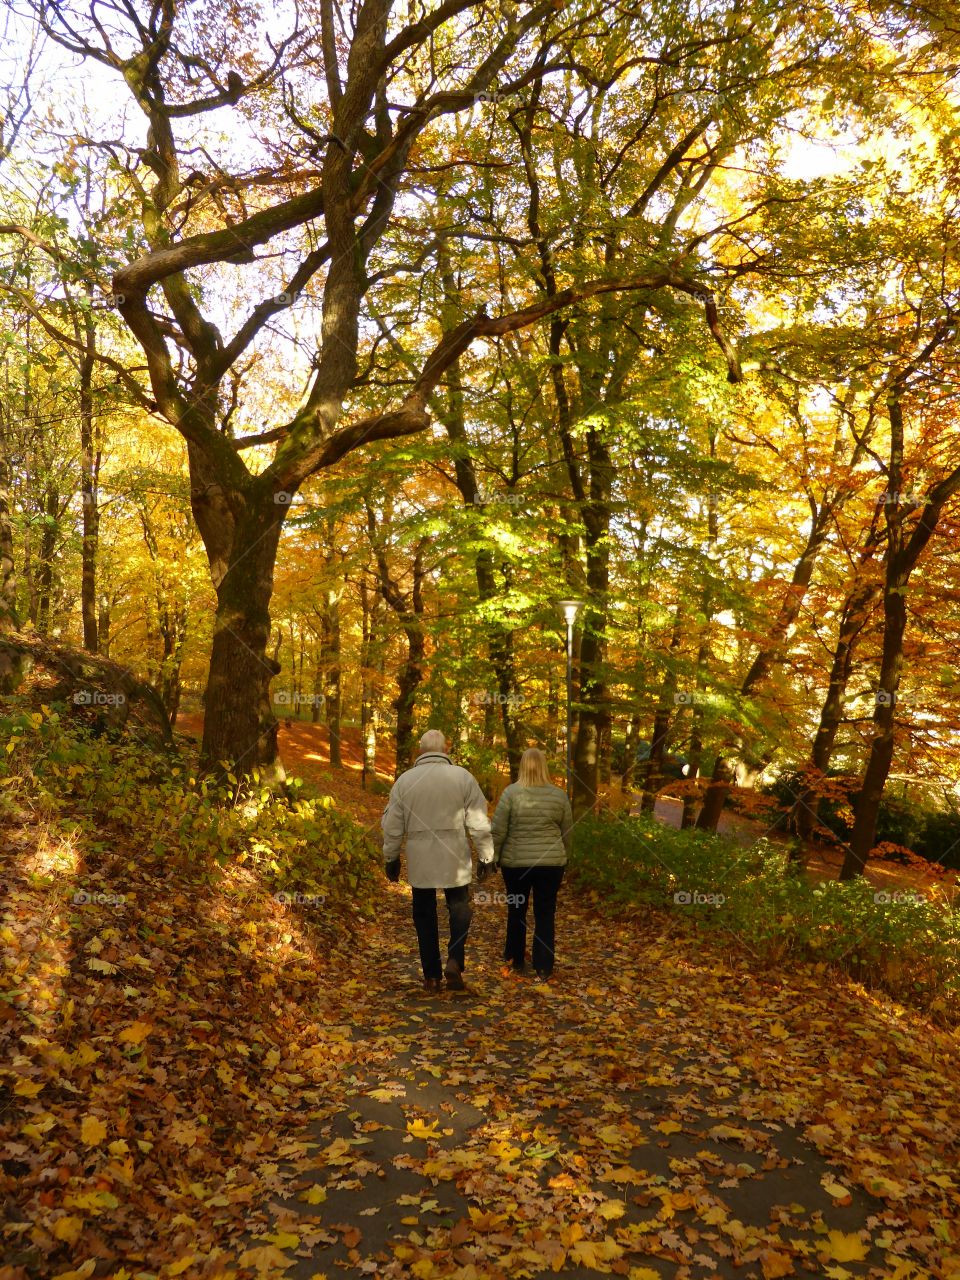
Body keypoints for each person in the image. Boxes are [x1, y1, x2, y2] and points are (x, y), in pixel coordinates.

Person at [382, 729, 495, 993]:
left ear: (421, 751)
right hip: (454, 855)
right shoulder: (463, 777)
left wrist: (391, 857)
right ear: (445, 750)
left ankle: (431, 975)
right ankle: (455, 959)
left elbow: (393, 825)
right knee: (459, 908)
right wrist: (486, 855)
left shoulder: (405, 781)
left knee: (424, 913)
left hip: (421, 857)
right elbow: (478, 821)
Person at [490, 747, 572, 980]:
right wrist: (566, 856)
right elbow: (568, 831)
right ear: (544, 766)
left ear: (522, 766)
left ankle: (515, 960)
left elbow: (498, 830)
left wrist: (492, 857)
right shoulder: (559, 795)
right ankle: (544, 965)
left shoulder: (511, 793)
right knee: (545, 912)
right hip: (551, 864)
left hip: (517, 865)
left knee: (517, 909)